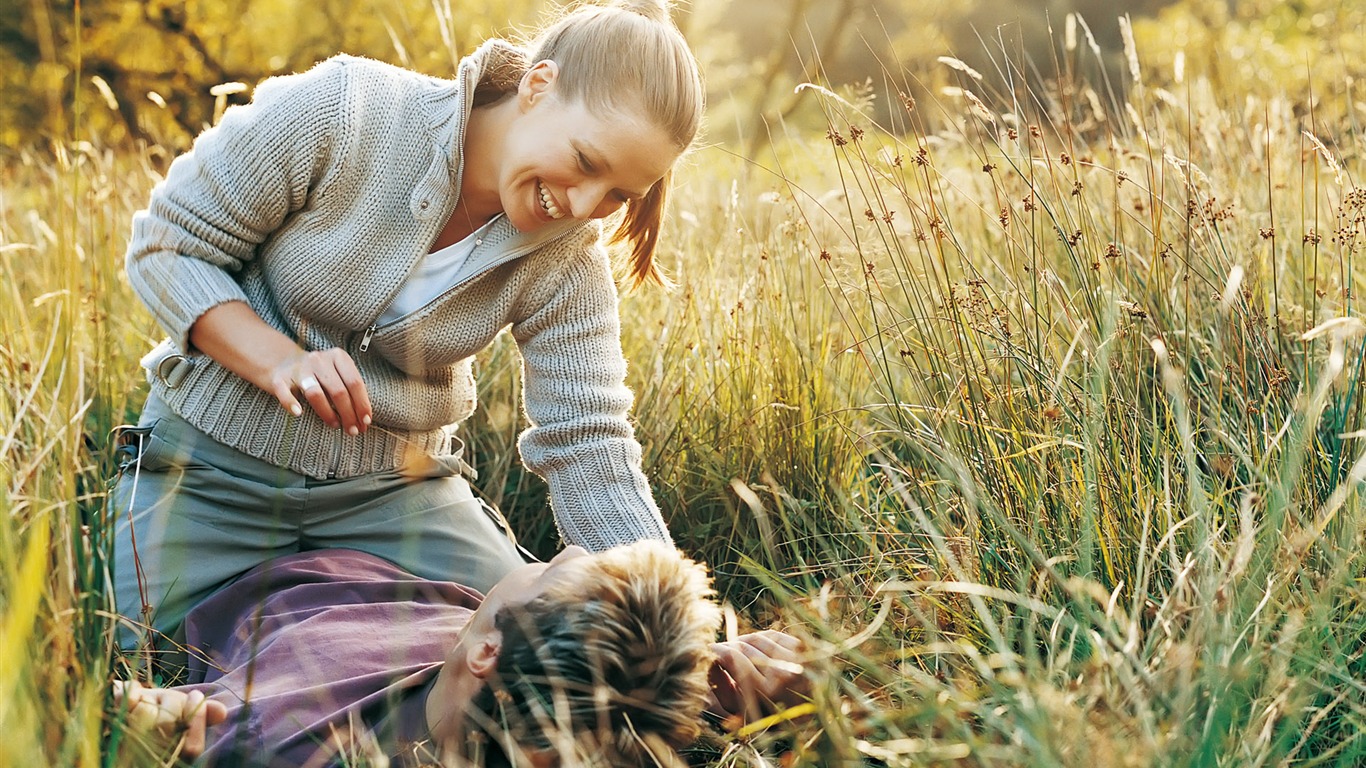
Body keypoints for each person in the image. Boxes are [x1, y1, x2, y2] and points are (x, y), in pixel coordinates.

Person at [111, 0, 704, 655]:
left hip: (397, 498)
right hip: (211, 476)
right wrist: (279, 361)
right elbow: (167, 246)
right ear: (538, 85)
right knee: (152, 656)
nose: (586, 206)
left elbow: (589, 441)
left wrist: (682, 636)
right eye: (587, 162)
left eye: (620, 194)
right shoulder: (344, 109)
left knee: (523, 659)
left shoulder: (569, 259)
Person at [111, 542, 808, 766]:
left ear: (488, 650)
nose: (562, 548)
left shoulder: (273, 735)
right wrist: (704, 668)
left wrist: (153, 719)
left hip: (264, 567)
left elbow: (157, 718)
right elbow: (623, 690)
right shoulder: (555, 703)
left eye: (544, 572)